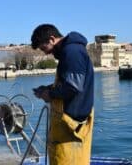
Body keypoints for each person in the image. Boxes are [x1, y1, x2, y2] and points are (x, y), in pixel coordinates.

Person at [31, 24, 94, 165]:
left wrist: (50, 94)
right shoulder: (70, 51)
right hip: (66, 127)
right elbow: (69, 84)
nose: (46, 53)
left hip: (72, 128)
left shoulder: (72, 52)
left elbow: (73, 87)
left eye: (44, 48)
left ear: (52, 39)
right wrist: (46, 89)